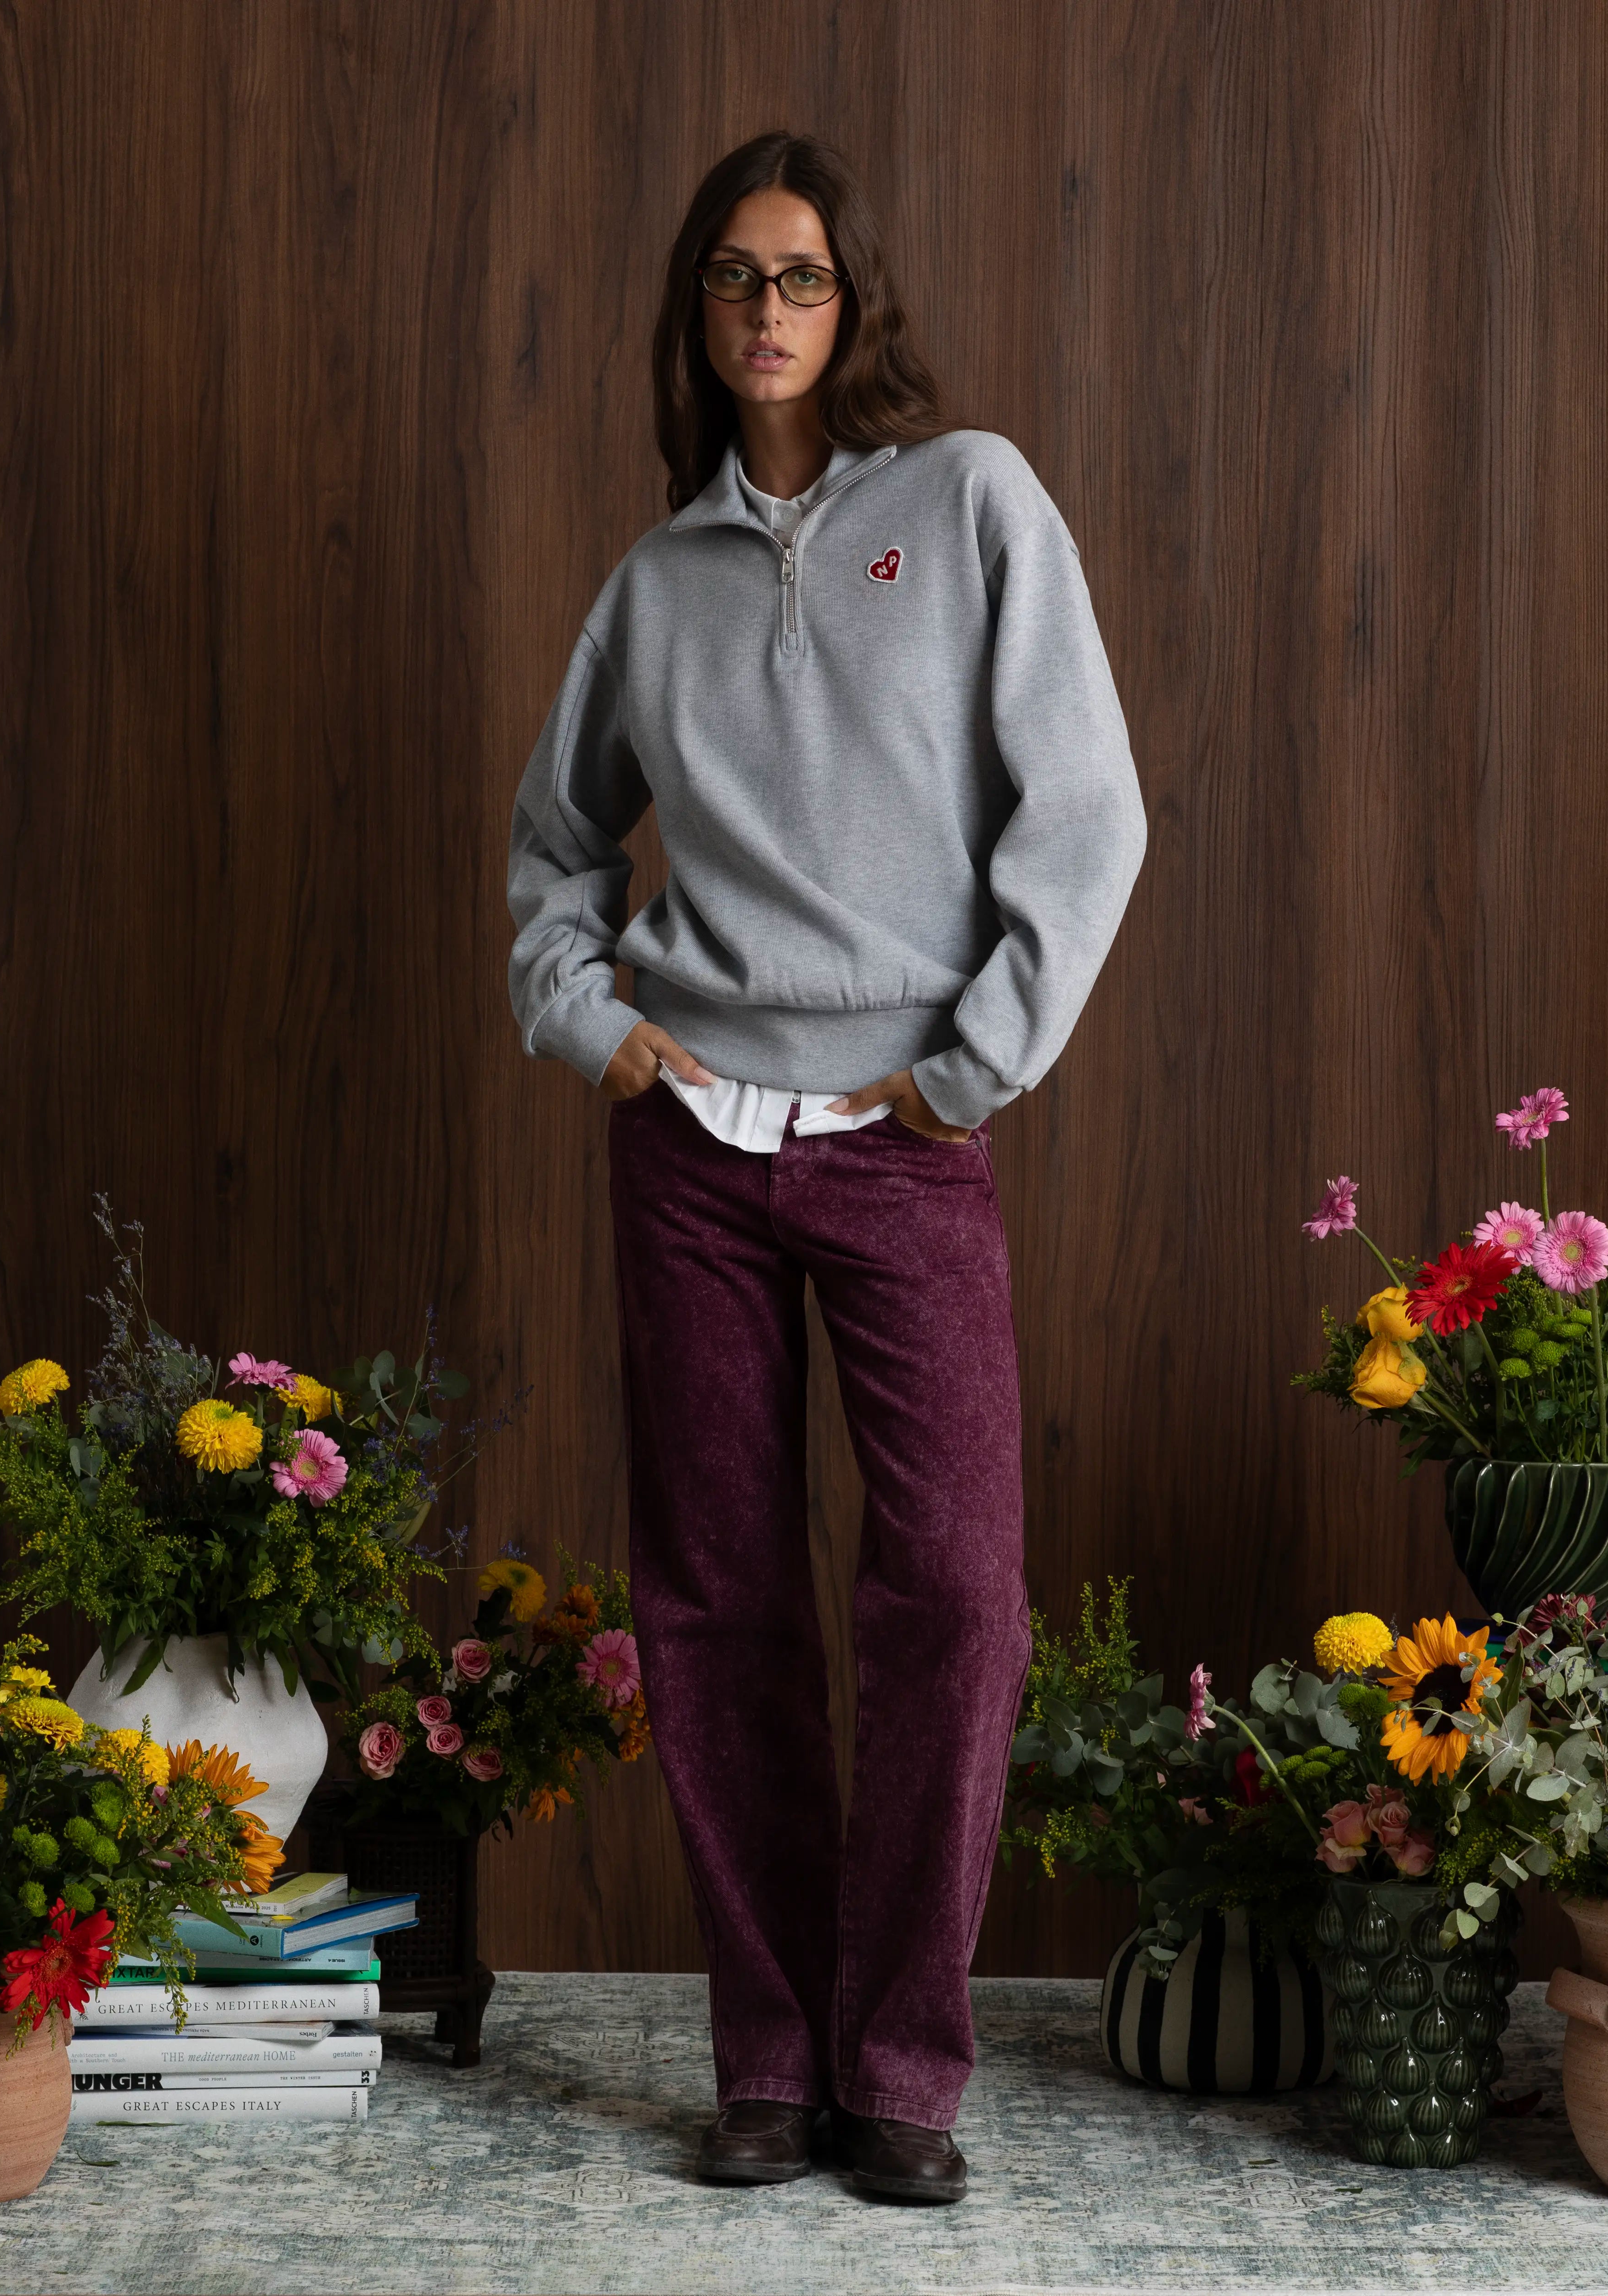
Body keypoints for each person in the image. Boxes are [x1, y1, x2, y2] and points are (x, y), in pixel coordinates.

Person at [506, 129, 1145, 2204]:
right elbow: (556, 849)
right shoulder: (655, 583)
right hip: (689, 1147)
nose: (765, 310)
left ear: (852, 299)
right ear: (694, 313)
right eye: (730, 276)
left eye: (799, 275)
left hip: (903, 1142)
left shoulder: (969, 503)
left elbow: (1089, 814)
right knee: (715, 1600)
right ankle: (770, 2061)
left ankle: (905, 2068)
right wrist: (593, 1023)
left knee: (954, 1594)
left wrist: (971, 1071)